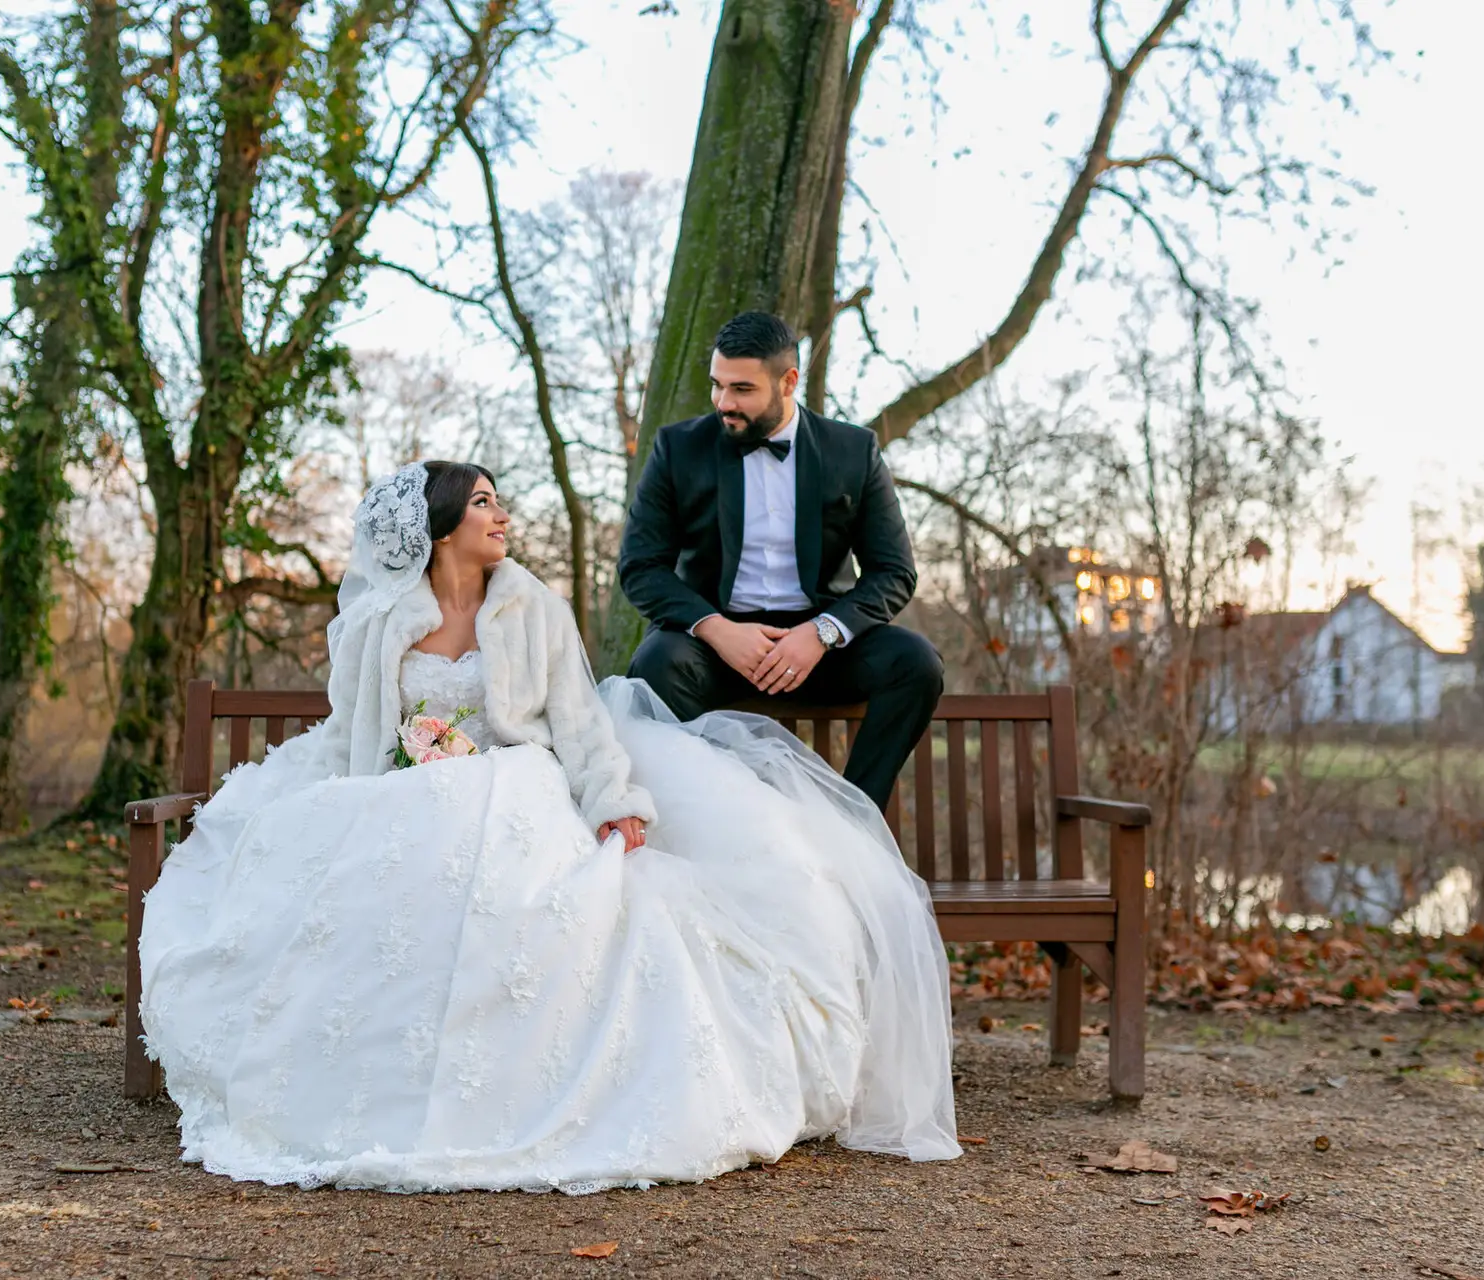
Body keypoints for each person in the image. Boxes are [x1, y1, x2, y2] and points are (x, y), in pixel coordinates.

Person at [138, 460, 960, 1194]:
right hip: (401, 795)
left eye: (501, 504)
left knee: (542, 901)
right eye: (485, 504)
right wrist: (366, 802)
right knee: (375, 890)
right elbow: (356, 735)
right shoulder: (377, 621)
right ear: (441, 525)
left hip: (515, 788)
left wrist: (614, 802)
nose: (502, 518)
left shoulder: (531, 605)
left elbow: (578, 721)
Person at [619, 311, 943, 810]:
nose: (724, 403)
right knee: (656, 662)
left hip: (820, 649)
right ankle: (722, 814)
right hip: (715, 647)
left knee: (915, 663)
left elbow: (894, 571)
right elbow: (641, 567)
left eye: (742, 389)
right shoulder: (677, 449)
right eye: (717, 385)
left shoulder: (852, 451)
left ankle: (851, 819)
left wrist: (821, 634)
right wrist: (716, 628)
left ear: (788, 381)